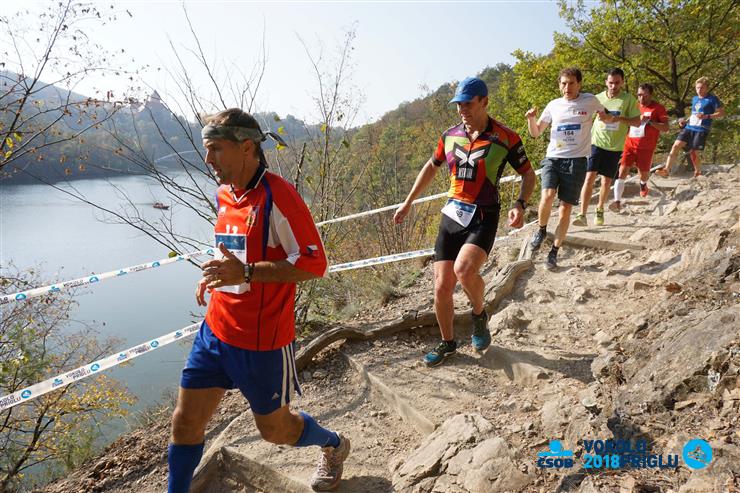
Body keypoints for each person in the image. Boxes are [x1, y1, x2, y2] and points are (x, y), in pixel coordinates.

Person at [167, 109, 350, 493]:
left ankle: (333, 444)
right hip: (215, 332)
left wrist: (247, 273)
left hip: (261, 342)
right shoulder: (224, 194)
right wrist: (216, 275)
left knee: (276, 431)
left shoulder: (278, 196)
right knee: (184, 423)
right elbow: (233, 251)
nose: (208, 159)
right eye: (207, 149)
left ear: (247, 147)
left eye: (216, 149)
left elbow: (314, 264)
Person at [394, 77, 535, 367]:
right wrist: (408, 202)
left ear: (484, 102)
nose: (462, 109)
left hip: (484, 215)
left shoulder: (506, 137)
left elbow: (528, 174)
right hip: (452, 215)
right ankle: (447, 343)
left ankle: (479, 314)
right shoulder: (449, 135)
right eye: (458, 104)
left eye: (468, 103)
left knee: (464, 270)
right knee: (441, 287)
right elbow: (431, 166)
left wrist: (520, 204)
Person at [526, 67, 610, 270]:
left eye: (571, 83)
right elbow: (536, 133)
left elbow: (604, 115)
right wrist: (530, 119)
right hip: (553, 158)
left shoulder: (590, 100)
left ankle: (554, 251)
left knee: (565, 209)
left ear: (579, 84)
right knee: (547, 195)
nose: (567, 87)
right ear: (559, 85)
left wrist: (607, 118)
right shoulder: (553, 105)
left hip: (577, 161)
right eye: (563, 83)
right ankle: (542, 230)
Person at [573, 68, 640, 227]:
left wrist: (617, 119)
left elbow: (637, 122)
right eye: (610, 83)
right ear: (606, 82)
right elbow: (585, 116)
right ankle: (582, 214)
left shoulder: (629, 99)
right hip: (596, 142)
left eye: (617, 83)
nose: (613, 86)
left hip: (615, 146)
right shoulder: (597, 98)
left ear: (622, 82)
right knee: (589, 177)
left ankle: (600, 208)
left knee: (606, 181)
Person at [609, 83, 669, 211]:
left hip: (646, 148)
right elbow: (624, 120)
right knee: (622, 171)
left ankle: (643, 184)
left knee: (643, 175)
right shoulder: (633, 106)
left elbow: (666, 128)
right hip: (629, 145)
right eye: (639, 95)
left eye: (644, 95)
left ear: (651, 94)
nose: (641, 98)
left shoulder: (658, 108)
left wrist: (650, 122)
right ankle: (617, 202)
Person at [656, 76, 724, 178]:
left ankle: (698, 172)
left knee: (693, 152)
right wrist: (685, 121)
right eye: (697, 88)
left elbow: (721, 113)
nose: (699, 90)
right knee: (676, 146)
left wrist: (707, 116)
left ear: (707, 88)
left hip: (701, 129)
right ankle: (666, 170)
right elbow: (694, 114)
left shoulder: (712, 99)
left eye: (702, 88)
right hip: (689, 127)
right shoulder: (695, 99)